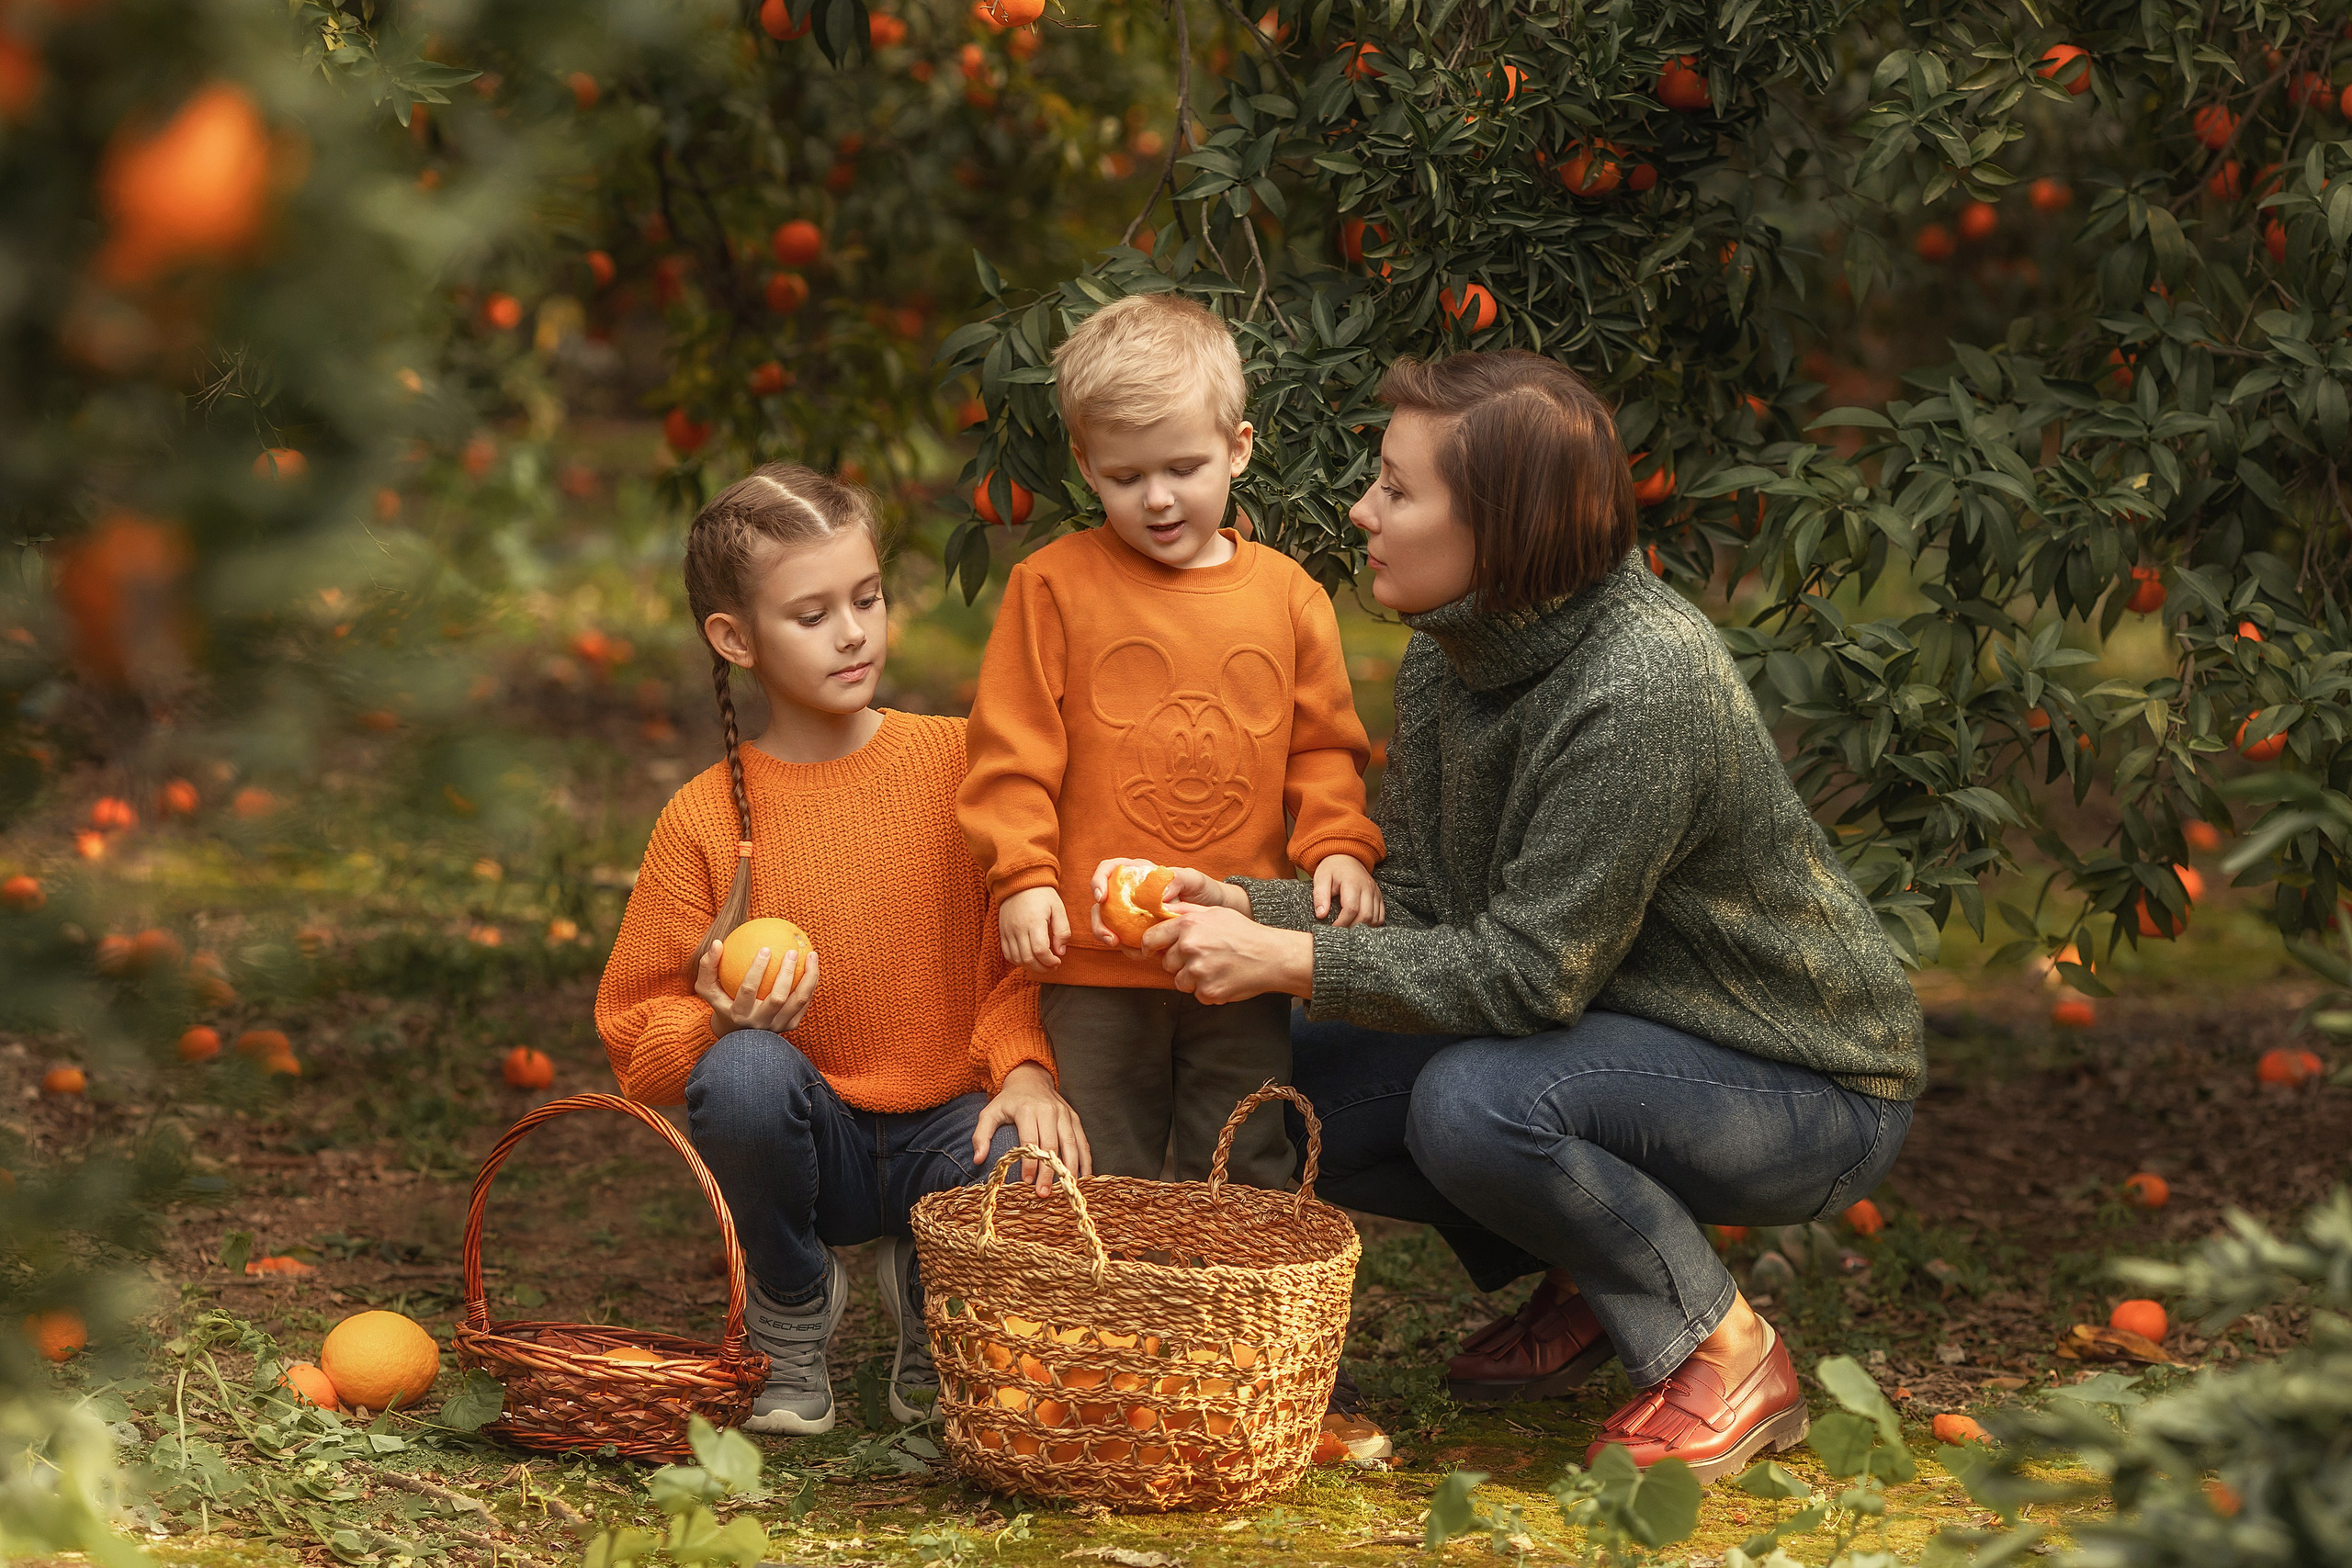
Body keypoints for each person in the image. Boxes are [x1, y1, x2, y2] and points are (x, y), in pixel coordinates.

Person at [1133, 350, 1925, 1483]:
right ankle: (1595, 1274)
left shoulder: (1639, 685)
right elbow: (1421, 899)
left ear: (1500, 530)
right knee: (1289, 1088)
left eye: (1397, 491)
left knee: (1476, 1104)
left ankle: (1723, 1350)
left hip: (1803, 1078)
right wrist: (1238, 901)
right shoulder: (1452, 652)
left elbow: (1525, 979)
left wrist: (1281, 953)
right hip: (1616, 1030)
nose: (1362, 510)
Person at [595, 463, 1091, 1437]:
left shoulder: (958, 766)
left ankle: (938, 1302)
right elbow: (634, 1044)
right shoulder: (702, 817)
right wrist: (717, 1017)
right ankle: (790, 1302)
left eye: (866, 598)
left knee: (1029, 1161)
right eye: (812, 613)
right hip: (811, 1134)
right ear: (734, 639)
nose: (854, 631)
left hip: (948, 1121)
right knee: (741, 1073)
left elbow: (1015, 960)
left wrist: (1025, 1071)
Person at [956, 292, 1385, 1199]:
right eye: (1124, 476)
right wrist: (1023, 876)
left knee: (1243, 1156)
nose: (1156, 498)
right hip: (1093, 957)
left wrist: (1337, 843)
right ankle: (1098, 1330)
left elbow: (1323, 749)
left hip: (1238, 949)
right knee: (1091, 1164)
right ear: (1084, 464)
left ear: (1238, 446)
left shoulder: (1287, 596)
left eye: (1184, 467)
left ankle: (1233, 1336)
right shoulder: (1054, 587)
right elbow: (1011, 753)